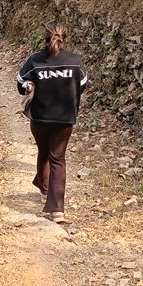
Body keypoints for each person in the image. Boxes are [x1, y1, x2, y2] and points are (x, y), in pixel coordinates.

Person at [17, 22, 88, 224]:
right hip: (65, 119)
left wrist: (31, 85)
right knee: (57, 158)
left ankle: (44, 187)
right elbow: (82, 85)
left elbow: (21, 84)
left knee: (43, 151)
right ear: (65, 38)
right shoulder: (75, 61)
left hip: (40, 118)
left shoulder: (34, 61)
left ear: (45, 37)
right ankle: (57, 209)